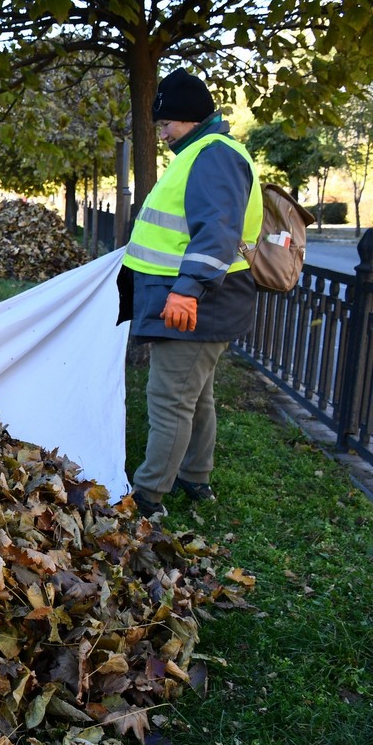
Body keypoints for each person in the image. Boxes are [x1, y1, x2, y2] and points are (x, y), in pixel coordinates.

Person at [119, 68, 263, 519]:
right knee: (195, 396)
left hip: (194, 302)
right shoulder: (204, 151)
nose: (160, 134)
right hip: (201, 301)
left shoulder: (213, 155)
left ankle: (148, 497)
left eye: (165, 124)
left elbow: (216, 232)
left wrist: (187, 291)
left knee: (169, 399)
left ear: (188, 118)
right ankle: (195, 478)